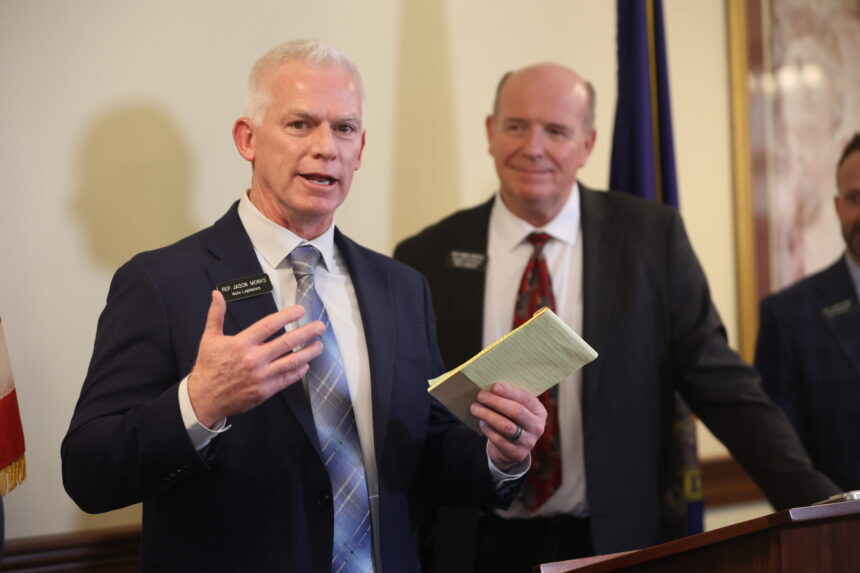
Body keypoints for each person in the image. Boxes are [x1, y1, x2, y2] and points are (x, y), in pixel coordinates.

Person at [61, 40, 547, 573]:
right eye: (300, 125)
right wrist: (199, 403)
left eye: (344, 129)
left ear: (361, 149)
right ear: (247, 139)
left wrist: (501, 455)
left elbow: (423, 451)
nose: (326, 147)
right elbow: (89, 472)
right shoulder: (162, 282)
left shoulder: (401, 287)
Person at [394, 62, 839, 572]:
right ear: (491, 133)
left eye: (556, 131)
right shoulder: (423, 256)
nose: (533, 147)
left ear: (588, 144)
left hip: (619, 544)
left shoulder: (652, 240)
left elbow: (725, 389)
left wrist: (822, 508)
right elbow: (410, 420)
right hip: (474, 546)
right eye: (517, 126)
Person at [756, 133, 860, 492]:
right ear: (837, 207)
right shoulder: (787, 317)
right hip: (839, 541)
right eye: (854, 198)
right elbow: (778, 462)